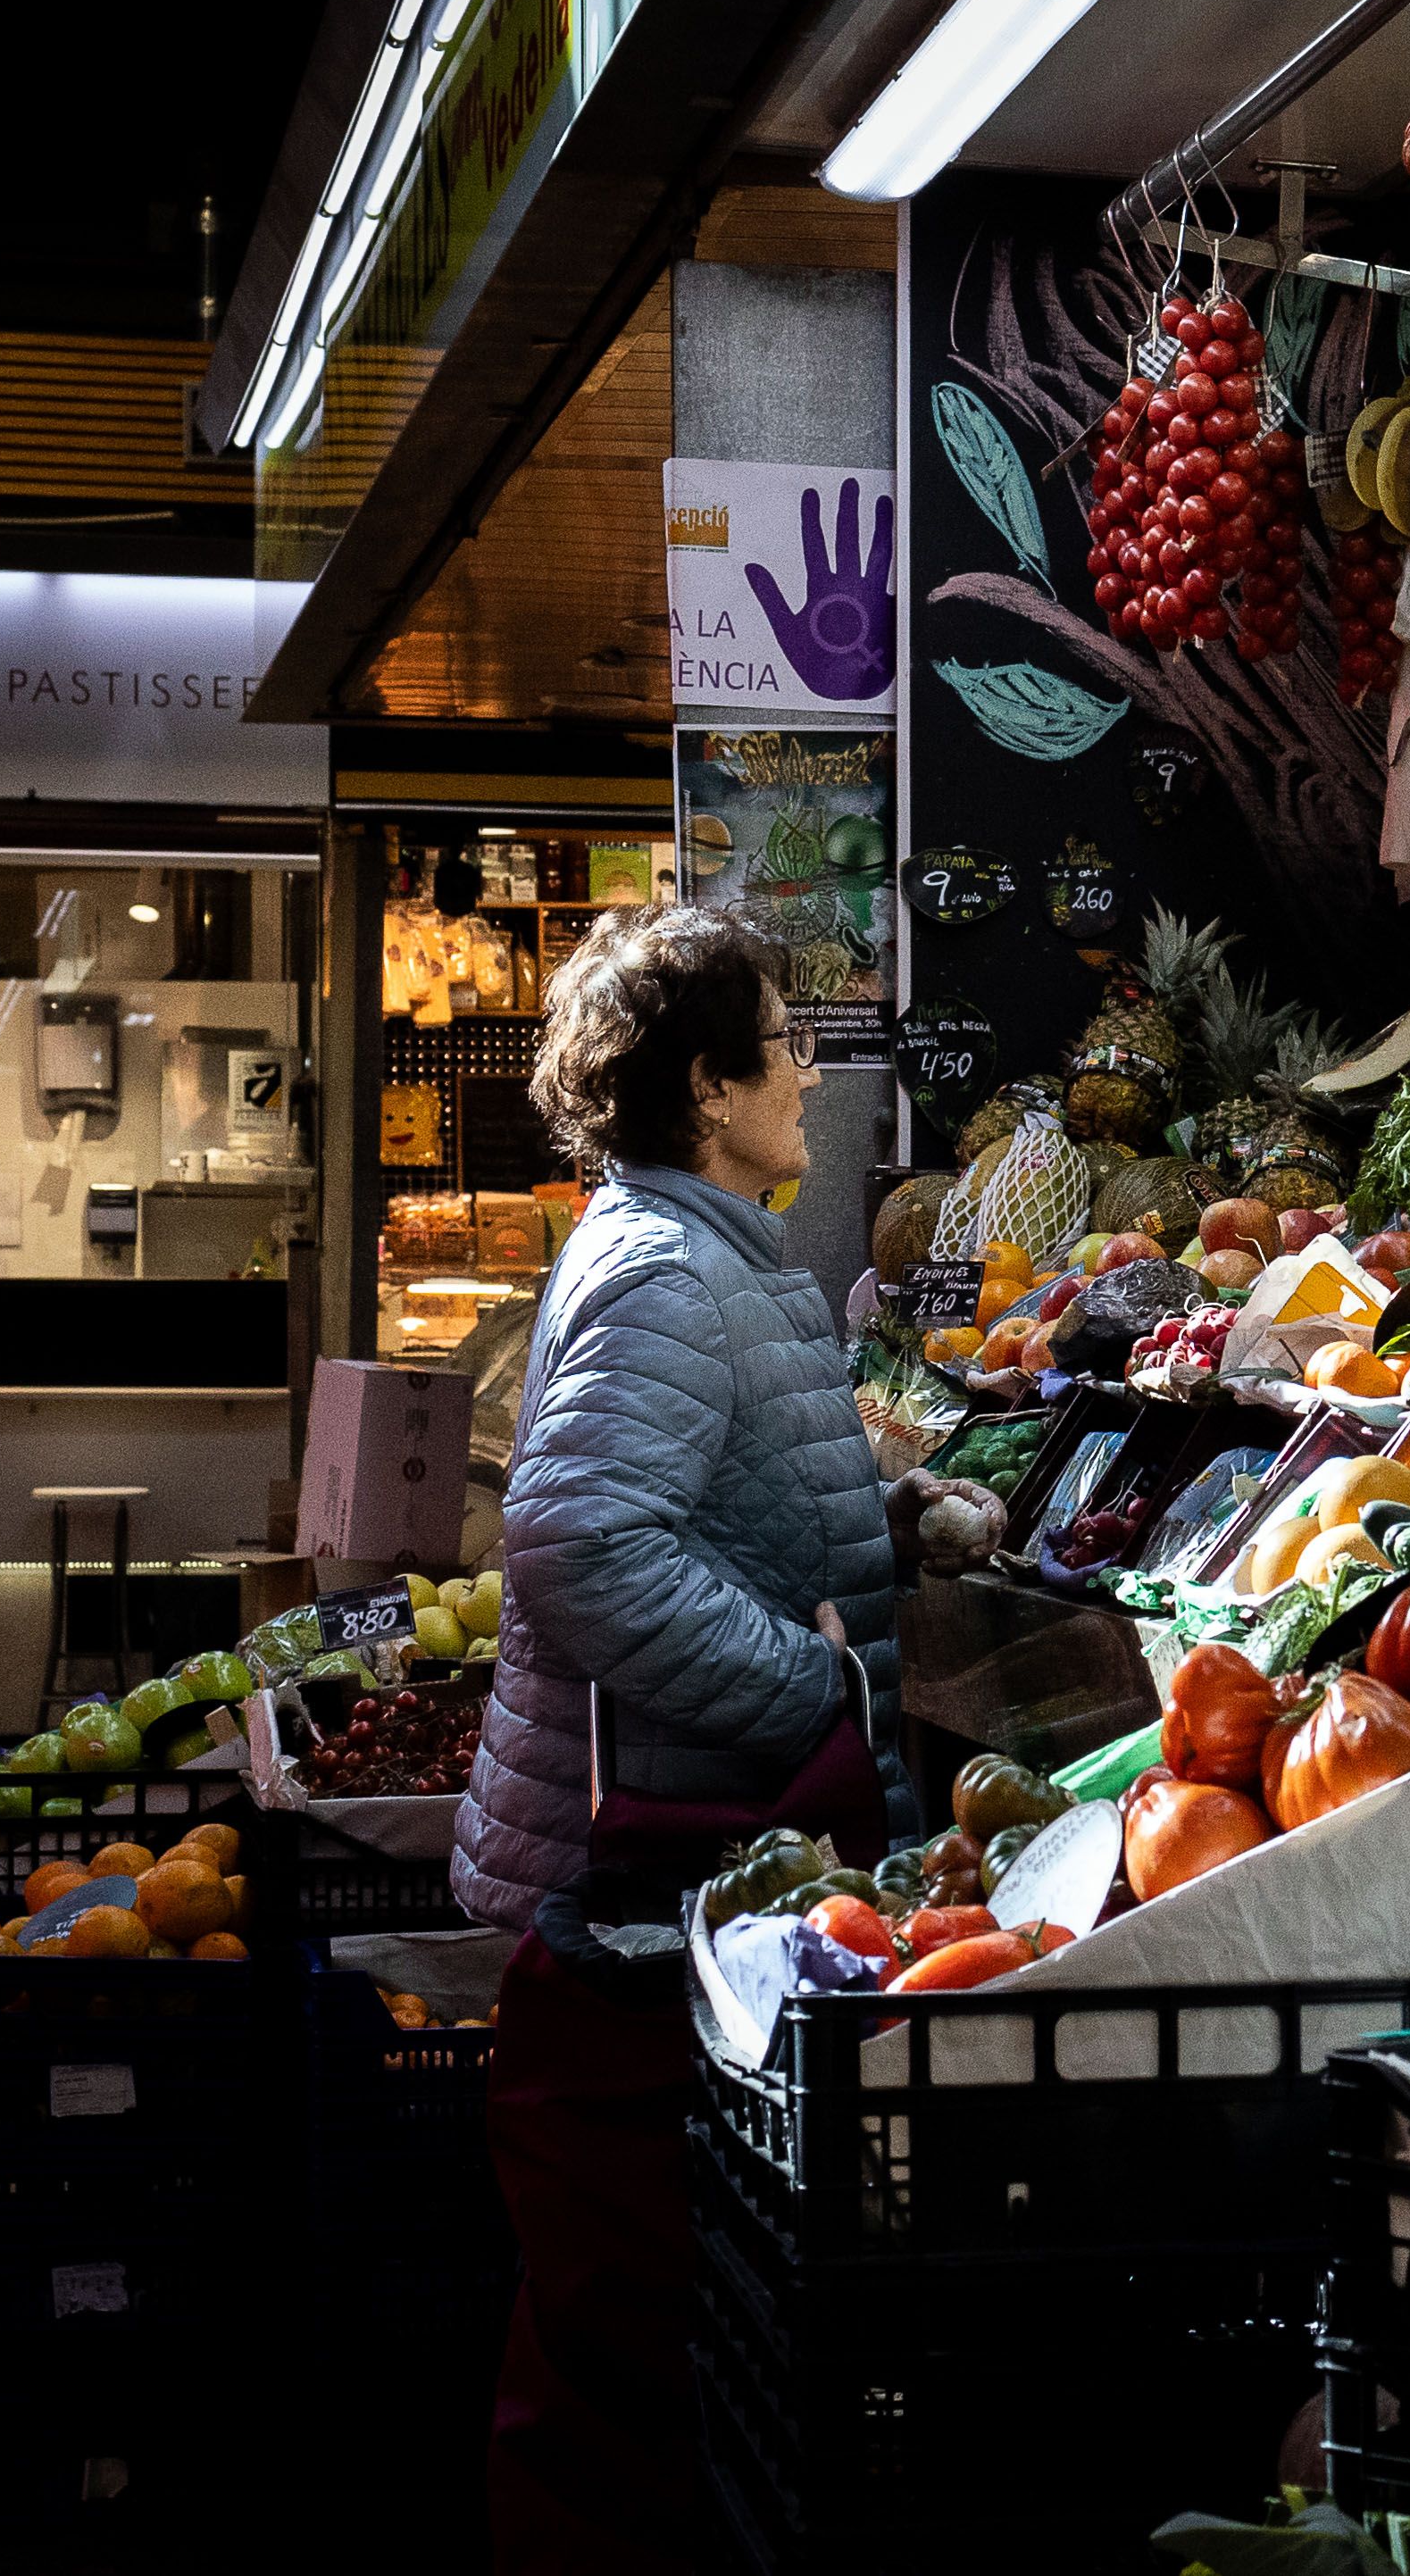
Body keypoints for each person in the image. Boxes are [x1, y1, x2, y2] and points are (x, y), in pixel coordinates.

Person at [454, 904, 911, 2574]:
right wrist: (817, 1697)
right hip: (642, 1881)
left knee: (649, 2339)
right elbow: (580, 1546)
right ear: (710, 1089)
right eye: (783, 1045)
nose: (804, 1074)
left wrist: (886, 1515)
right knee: (629, 2344)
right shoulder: (666, 1265)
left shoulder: (687, 1242)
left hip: (678, 1864)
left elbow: (702, 1499)